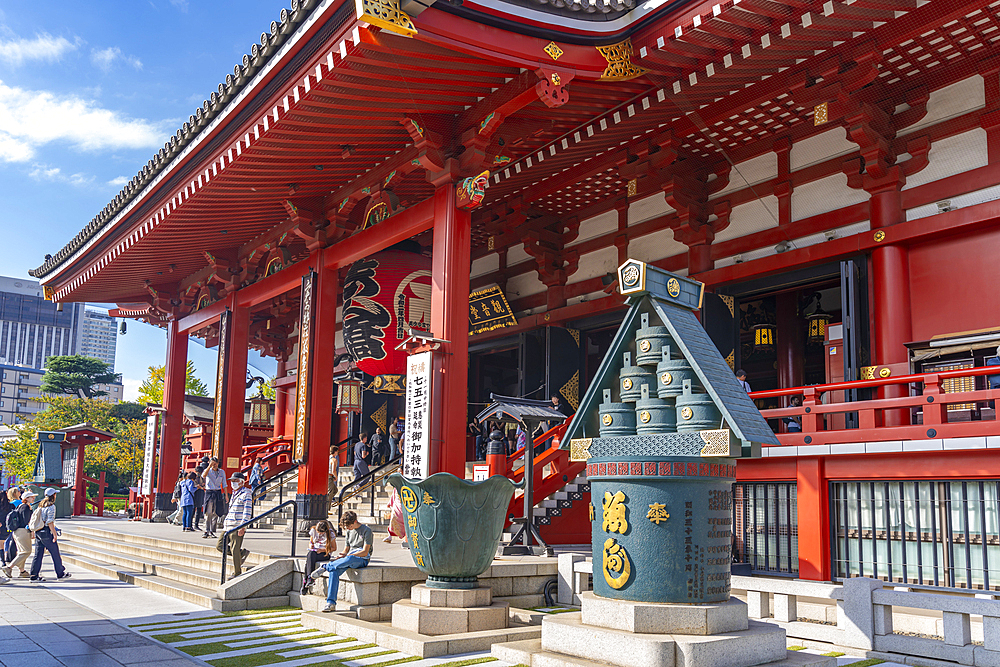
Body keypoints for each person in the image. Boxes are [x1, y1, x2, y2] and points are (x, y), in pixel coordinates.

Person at [315, 510, 373, 613]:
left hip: (361, 559)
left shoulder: (366, 531)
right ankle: (330, 603)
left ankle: (326, 567)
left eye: (349, 526)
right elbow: (346, 550)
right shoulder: (349, 531)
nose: (347, 529)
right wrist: (342, 555)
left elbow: (365, 552)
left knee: (349, 559)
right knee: (334, 571)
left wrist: (349, 556)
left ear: (355, 521)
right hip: (348, 558)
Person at [29, 488, 70, 582]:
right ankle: (60, 573)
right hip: (47, 532)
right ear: (54, 495)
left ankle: (34, 575)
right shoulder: (51, 506)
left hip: (39, 531)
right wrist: (55, 535)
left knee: (38, 554)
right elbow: (50, 522)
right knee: (55, 553)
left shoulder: (41, 505)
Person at [216, 472, 253, 577]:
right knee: (219, 546)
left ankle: (237, 572)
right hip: (228, 525)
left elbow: (247, 511)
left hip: (237, 525)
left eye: (235, 481)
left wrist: (243, 526)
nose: (233, 483)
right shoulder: (234, 493)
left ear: (242, 482)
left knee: (234, 548)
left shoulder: (246, 493)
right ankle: (241, 554)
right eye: (232, 481)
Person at [300, 519, 336, 595]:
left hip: (324, 554)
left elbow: (334, 548)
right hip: (315, 552)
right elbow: (311, 542)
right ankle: (310, 578)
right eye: (318, 531)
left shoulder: (330, 534)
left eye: (321, 532)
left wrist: (322, 550)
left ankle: (306, 581)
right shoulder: (313, 530)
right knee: (310, 555)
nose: (319, 533)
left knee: (309, 559)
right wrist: (311, 546)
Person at [4, 489, 34, 578]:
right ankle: (9, 567)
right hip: (23, 531)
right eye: (32, 497)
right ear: (27, 498)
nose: (33, 498)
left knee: (22, 551)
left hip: (17, 531)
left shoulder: (20, 506)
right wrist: (31, 530)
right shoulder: (25, 507)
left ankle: (22, 571)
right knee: (27, 551)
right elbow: (26, 521)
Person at [202, 457, 226, 539]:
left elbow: (224, 484)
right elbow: (203, 476)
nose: (215, 465)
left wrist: (226, 495)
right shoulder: (208, 471)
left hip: (218, 492)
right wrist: (209, 466)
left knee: (216, 512)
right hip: (209, 492)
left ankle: (212, 530)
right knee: (208, 512)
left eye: (216, 463)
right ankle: (206, 530)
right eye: (213, 463)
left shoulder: (221, 472)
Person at [328, 446, 339, 511]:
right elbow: (333, 470)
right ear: (335, 451)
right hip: (330, 476)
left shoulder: (328, 458)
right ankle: (327, 508)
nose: (337, 452)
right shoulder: (334, 460)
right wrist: (336, 476)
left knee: (335, 490)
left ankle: (327, 503)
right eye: (337, 451)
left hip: (328, 476)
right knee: (331, 491)